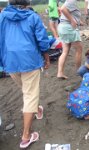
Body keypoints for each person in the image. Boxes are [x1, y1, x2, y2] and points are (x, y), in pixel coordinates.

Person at [0, 0, 50, 148]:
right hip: (29, 60)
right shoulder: (33, 16)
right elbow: (42, 40)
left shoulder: (2, 16)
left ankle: (37, 108)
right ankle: (26, 136)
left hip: (10, 61)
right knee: (29, 94)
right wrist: (47, 58)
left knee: (27, 91)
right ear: (26, 2)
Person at [57, 0, 83, 79]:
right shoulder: (72, 1)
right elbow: (62, 9)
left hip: (62, 26)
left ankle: (60, 73)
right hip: (68, 28)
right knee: (79, 49)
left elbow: (65, 11)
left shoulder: (69, 1)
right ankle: (79, 70)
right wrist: (72, 21)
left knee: (65, 51)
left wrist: (78, 21)